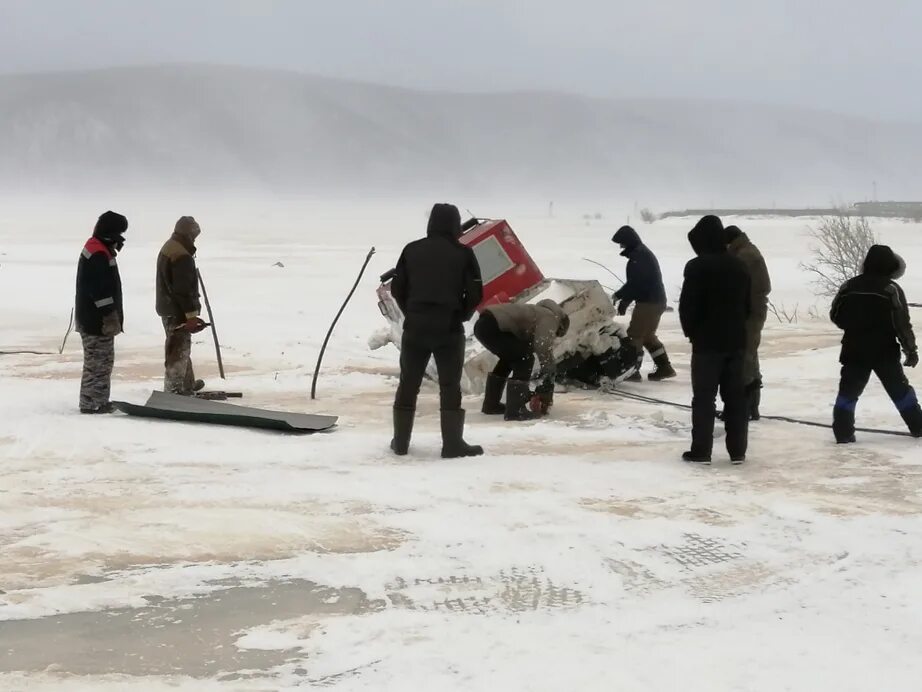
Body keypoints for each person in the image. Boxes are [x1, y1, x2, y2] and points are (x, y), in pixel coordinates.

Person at [390, 203, 484, 458]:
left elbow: (397, 289)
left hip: (416, 327)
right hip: (448, 327)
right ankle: (452, 444)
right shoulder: (463, 254)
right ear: (455, 224)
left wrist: (412, 311)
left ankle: (400, 442)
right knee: (449, 385)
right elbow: (476, 293)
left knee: (408, 383)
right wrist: (461, 314)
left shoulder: (412, 250)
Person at [678, 215, 751, 464]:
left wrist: (692, 332)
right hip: (737, 341)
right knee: (735, 397)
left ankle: (701, 450)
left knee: (704, 398)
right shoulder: (740, 266)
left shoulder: (697, 267)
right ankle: (738, 451)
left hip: (707, 344)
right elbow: (748, 306)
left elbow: (688, 306)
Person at [830, 245, 922, 442]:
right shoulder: (891, 289)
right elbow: (902, 324)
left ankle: (843, 433)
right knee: (900, 392)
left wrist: (854, 327)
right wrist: (910, 350)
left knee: (848, 393)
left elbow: (835, 315)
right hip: (884, 351)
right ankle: (918, 426)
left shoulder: (849, 286)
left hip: (853, 349)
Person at [474, 299, 570, 421]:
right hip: (493, 326)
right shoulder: (550, 318)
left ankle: (491, 405)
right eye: (556, 334)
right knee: (524, 359)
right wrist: (549, 372)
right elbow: (542, 345)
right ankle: (515, 410)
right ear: (560, 326)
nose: (553, 336)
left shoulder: (537, 313)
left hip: (484, 325)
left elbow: (527, 343)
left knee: (510, 359)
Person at [75, 211, 128, 414]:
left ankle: (97, 400)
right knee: (98, 363)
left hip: (93, 318)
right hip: (95, 321)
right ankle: (92, 403)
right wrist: (109, 314)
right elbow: (99, 290)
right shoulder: (98, 253)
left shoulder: (98, 248)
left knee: (101, 362)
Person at [611, 226, 674, 381]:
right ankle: (664, 367)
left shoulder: (639, 258)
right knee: (647, 336)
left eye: (622, 243)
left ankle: (632, 371)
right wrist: (625, 300)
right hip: (655, 300)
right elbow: (636, 284)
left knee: (635, 336)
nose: (621, 247)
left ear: (628, 241)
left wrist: (619, 296)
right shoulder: (640, 255)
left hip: (649, 302)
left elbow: (636, 284)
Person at [156, 216, 208, 395]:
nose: (195, 238)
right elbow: (183, 290)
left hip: (167, 307)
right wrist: (191, 316)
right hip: (177, 310)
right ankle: (174, 390)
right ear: (189, 233)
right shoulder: (182, 256)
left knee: (181, 347)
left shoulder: (170, 246)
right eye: (194, 234)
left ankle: (187, 385)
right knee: (178, 350)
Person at [725, 225, 772, 420]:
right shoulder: (747, 251)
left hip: (749, 313)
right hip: (753, 311)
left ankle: (745, 407)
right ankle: (750, 407)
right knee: (750, 357)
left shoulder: (744, 256)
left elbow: (736, 287)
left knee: (745, 359)